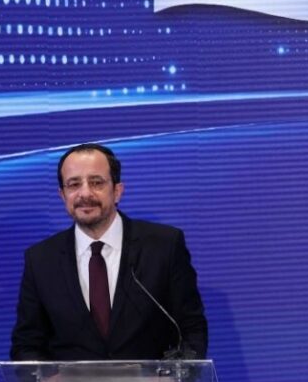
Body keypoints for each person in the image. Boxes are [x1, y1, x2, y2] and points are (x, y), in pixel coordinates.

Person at [10, 143, 207, 361]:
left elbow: (191, 329)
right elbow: (27, 343)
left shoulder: (164, 246)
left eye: (96, 183)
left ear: (117, 191)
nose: (85, 193)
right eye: (74, 184)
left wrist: (175, 378)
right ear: (62, 195)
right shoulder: (41, 259)